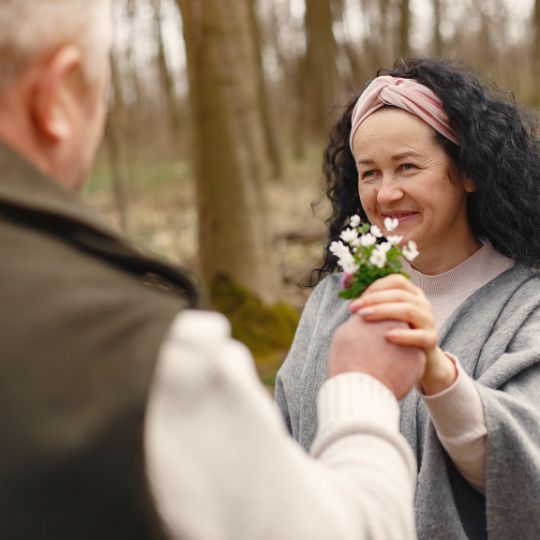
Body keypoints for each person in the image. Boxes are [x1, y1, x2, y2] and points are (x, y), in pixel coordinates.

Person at [0, 2, 427, 539]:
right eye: (100, 88)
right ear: (57, 96)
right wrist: (364, 387)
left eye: (408, 165)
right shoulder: (135, 354)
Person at [275, 57, 540, 540]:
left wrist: (437, 373)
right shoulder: (334, 299)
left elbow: (524, 475)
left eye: (408, 167)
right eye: (370, 173)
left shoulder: (526, 305)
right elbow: (285, 445)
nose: (387, 193)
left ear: (468, 173)